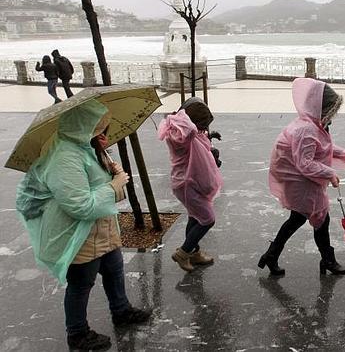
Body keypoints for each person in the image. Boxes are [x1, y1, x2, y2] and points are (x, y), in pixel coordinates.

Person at [15, 100, 151, 351]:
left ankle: (121, 310)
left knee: (114, 269)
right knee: (81, 282)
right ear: (83, 125)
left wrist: (111, 171)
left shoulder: (86, 147)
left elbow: (99, 189)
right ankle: (77, 333)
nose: (103, 132)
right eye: (98, 126)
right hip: (79, 233)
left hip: (102, 228)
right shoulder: (63, 156)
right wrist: (114, 185)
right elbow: (79, 205)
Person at [258, 78, 345, 276]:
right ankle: (327, 260)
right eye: (331, 110)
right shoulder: (307, 129)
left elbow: (319, 148)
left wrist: (339, 153)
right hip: (300, 183)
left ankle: (272, 255)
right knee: (319, 219)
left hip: (302, 182)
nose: (333, 116)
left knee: (299, 219)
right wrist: (330, 173)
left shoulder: (311, 123)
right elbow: (305, 163)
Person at [158, 97, 223, 272]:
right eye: (202, 126)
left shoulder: (178, 130)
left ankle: (194, 252)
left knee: (194, 217)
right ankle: (183, 253)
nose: (203, 130)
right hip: (188, 183)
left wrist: (209, 135)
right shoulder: (185, 136)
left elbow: (197, 136)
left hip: (188, 182)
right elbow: (192, 134)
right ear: (192, 123)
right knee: (207, 219)